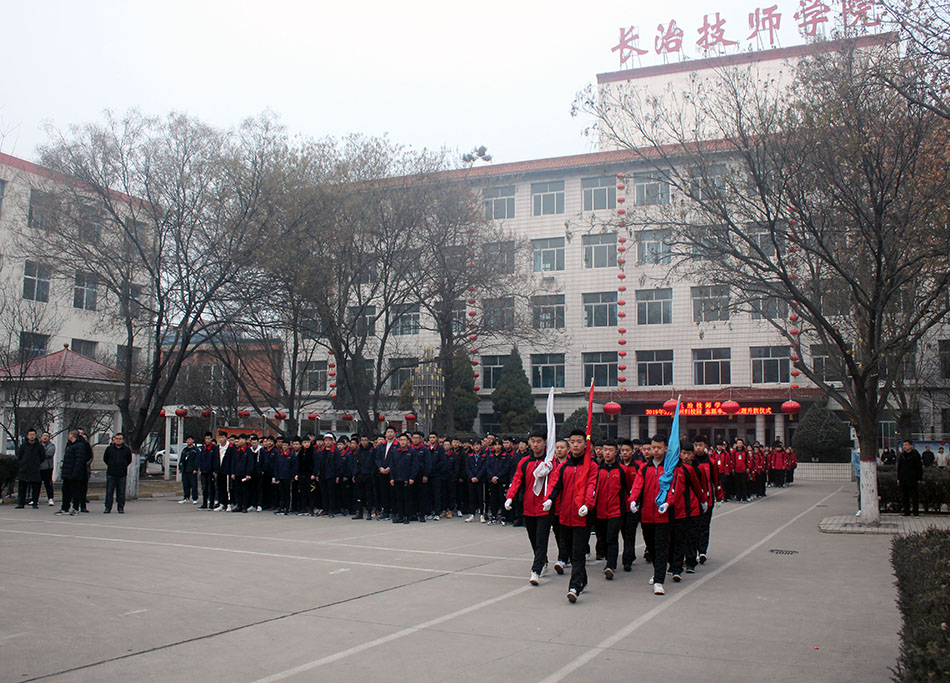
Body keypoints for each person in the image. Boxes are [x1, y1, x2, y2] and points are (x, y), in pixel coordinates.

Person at [543, 429, 598, 604]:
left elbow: (592, 487)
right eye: (572, 442)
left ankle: (574, 586)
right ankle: (583, 578)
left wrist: (586, 505)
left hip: (582, 515)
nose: (575, 445)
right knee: (569, 549)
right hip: (565, 515)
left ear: (585, 444)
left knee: (578, 551)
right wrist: (549, 499)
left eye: (579, 441)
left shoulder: (592, 466)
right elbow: (555, 485)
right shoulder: (564, 466)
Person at [629, 434, 674, 596]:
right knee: (651, 546)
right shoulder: (644, 468)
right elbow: (637, 485)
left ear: (666, 449)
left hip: (663, 515)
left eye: (659, 447)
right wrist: (633, 500)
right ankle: (657, 571)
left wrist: (668, 502)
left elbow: (673, 489)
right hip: (647, 514)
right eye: (653, 447)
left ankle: (659, 580)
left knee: (661, 546)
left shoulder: (669, 468)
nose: (655, 450)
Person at [505, 430, 551, 585]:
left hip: (545, 507)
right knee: (533, 538)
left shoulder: (551, 462)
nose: (536, 444)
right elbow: (517, 479)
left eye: (539, 441)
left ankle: (536, 569)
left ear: (545, 443)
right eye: (533, 441)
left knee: (541, 539)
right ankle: (543, 560)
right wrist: (510, 496)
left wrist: (549, 499)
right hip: (528, 507)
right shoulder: (524, 462)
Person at [593, 440, 626, 580]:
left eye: (610, 450)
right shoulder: (597, 470)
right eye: (605, 450)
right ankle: (607, 557)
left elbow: (628, 489)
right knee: (602, 537)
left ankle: (610, 565)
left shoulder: (621, 470)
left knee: (612, 537)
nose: (607, 453)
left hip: (615, 510)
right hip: (599, 511)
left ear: (616, 452)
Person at [102, 432, 133, 514]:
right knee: (109, 491)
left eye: (120, 439)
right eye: (117, 439)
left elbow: (129, 460)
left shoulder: (126, 449)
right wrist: (111, 465)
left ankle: (120, 507)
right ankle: (108, 507)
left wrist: (123, 466)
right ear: (114, 440)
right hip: (111, 473)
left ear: (122, 440)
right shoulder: (109, 449)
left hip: (122, 474)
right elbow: (105, 459)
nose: (118, 440)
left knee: (121, 492)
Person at [57, 431, 85, 515]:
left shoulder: (79, 446)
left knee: (75, 491)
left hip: (74, 473)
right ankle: (65, 507)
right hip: (67, 473)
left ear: (72, 435)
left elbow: (79, 460)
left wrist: (75, 472)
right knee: (65, 491)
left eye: (69, 434)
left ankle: (75, 508)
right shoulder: (69, 445)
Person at [15, 428, 45, 509]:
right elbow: (19, 456)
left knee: (35, 488)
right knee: (22, 487)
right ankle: (21, 503)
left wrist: (37, 463)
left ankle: (35, 503)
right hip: (24, 469)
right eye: (30, 435)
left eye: (33, 435)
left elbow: (42, 457)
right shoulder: (23, 446)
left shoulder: (39, 446)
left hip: (35, 470)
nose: (32, 436)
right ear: (27, 436)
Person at [896, 440, 923, 517]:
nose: (904, 446)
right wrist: (898, 478)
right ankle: (906, 512)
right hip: (903, 478)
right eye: (904, 445)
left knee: (914, 496)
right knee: (905, 496)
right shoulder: (902, 455)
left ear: (911, 446)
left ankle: (915, 513)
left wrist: (919, 478)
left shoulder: (915, 455)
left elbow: (919, 467)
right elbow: (899, 467)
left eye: (906, 445)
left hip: (913, 478)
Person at [75, 428, 94, 513]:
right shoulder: (72, 444)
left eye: (82, 433)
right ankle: (74, 506)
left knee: (83, 489)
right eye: (79, 433)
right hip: (75, 470)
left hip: (84, 470)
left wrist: (84, 464)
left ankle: (83, 506)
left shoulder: (86, 445)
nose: (81, 435)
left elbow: (90, 457)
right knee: (75, 488)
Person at [198, 433, 217, 510]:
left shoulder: (214, 448)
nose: (207, 440)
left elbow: (216, 460)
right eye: (206, 439)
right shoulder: (204, 448)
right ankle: (204, 503)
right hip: (204, 471)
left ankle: (211, 504)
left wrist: (215, 470)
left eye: (209, 438)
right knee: (204, 488)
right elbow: (201, 459)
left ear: (211, 439)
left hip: (211, 471)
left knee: (211, 488)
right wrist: (200, 469)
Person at [179, 436, 200, 505]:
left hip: (192, 470)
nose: (188, 441)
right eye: (187, 440)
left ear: (193, 440)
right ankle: (186, 498)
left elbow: (197, 460)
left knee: (193, 485)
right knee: (185, 485)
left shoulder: (195, 450)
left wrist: (195, 469)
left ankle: (195, 498)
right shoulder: (185, 450)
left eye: (189, 440)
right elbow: (181, 459)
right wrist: (180, 467)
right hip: (185, 469)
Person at [40, 431, 55, 506]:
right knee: (36, 484)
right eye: (44, 436)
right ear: (41, 437)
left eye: (47, 436)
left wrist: (41, 452)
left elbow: (49, 453)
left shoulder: (51, 446)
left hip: (48, 468)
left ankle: (50, 498)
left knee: (48, 484)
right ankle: (35, 499)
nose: (45, 437)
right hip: (38, 468)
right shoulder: (38, 445)